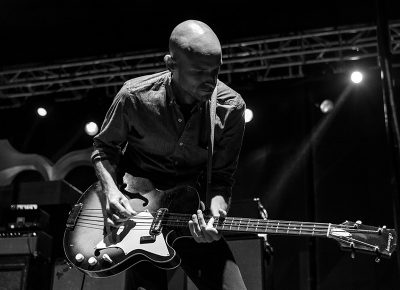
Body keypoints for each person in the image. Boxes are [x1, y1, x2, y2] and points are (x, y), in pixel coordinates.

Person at [91, 19, 247, 290]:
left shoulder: (230, 108)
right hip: (136, 213)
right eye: (199, 71)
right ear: (171, 64)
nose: (210, 80)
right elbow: (104, 148)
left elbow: (222, 177)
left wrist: (215, 215)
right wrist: (112, 193)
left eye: (216, 70)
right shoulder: (134, 97)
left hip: (188, 216)